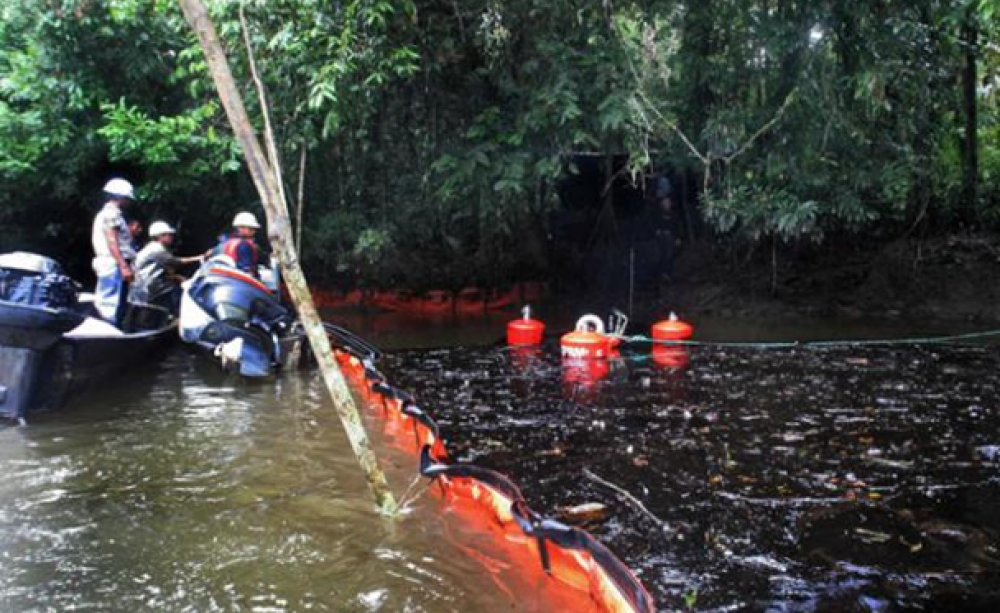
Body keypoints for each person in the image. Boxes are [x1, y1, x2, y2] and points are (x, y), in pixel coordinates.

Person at [91, 178, 137, 324]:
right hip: (113, 262)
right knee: (109, 303)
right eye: (127, 198)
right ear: (120, 197)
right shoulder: (112, 214)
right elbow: (112, 241)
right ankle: (106, 333)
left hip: (112, 262)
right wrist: (123, 265)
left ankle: (110, 329)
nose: (128, 202)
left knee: (113, 301)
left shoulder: (109, 213)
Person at [133, 221, 204, 311]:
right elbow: (175, 262)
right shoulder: (157, 249)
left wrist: (176, 277)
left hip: (146, 284)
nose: (171, 237)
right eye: (168, 235)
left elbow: (165, 270)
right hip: (147, 286)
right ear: (160, 236)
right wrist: (199, 258)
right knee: (179, 293)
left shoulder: (154, 247)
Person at [217, 211, 266, 277]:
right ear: (241, 228)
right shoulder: (245, 245)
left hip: (224, 278)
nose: (254, 231)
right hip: (240, 282)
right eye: (251, 229)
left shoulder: (223, 242)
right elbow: (247, 271)